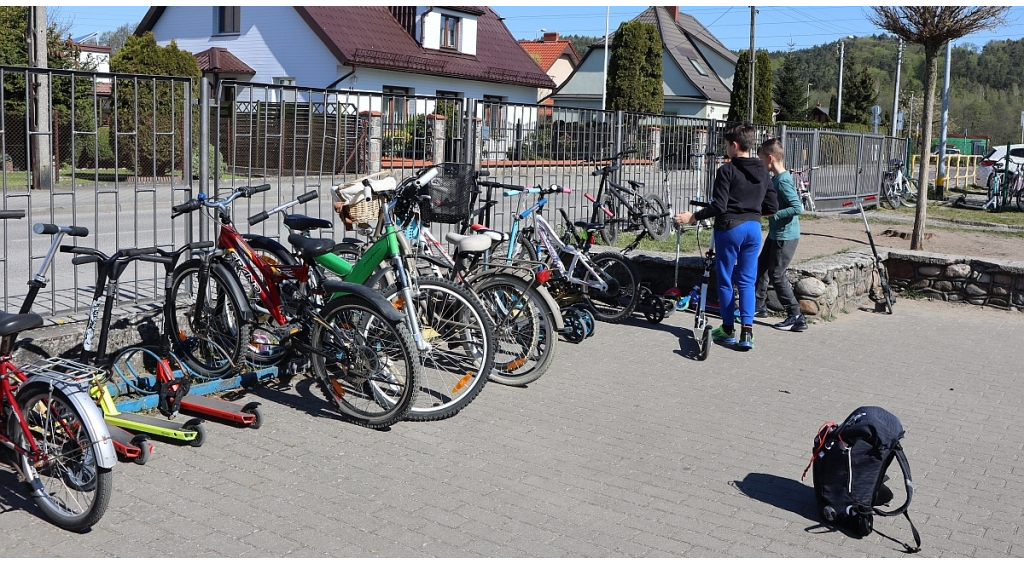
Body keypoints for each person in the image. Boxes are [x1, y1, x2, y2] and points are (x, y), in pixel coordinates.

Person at [674, 123, 777, 351]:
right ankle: (747, 333)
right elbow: (772, 206)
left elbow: (719, 206)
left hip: (730, 229)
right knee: (747, 281)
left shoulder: (726, 171)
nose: (726, 149)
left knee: (725, 279)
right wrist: (753, 211)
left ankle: (728, 329)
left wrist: (693, 216)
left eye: (727, 145)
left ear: (735, 145)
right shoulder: (763, 170)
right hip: (753, 229)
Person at [754, 139, 808, 332]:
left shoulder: (784, 180)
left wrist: (772, 214)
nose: (760, 163)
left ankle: (796, 316)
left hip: (786, 236)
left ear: (769, 158)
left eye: (761, 160)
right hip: (776, 233)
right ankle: (759, 307)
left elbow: (797, 208)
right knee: (761, 268)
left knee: (777, 275)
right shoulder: (777, 179)